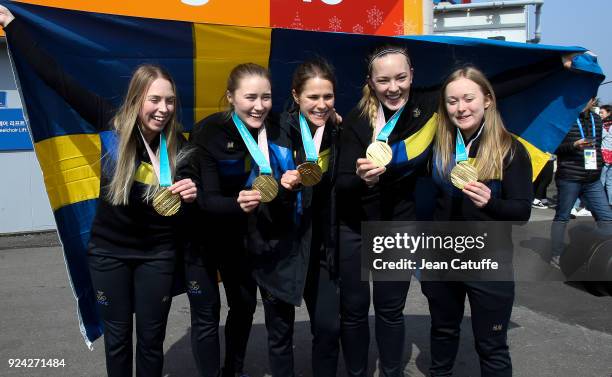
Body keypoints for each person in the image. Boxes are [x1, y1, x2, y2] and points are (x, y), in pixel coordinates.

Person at [0, 6, 198, 377]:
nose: (163, 109)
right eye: (154, 99)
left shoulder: (180, 145)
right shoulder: (111, 126)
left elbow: (187, 209)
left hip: (158, 256)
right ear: (137, 99)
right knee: (119, 339)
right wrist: (12, 26)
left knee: (151, 342)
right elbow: (55, 77)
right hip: (110, 255)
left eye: (169, 100)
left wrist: (190, 195)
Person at [336, 45, 439, 377]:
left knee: (390, 310)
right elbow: (341, 183)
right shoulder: (356, 119)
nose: (393, 87)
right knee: (352, 311)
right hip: (354, 225)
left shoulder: (429, 104)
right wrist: (363, 180)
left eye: (400, 77)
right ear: (370, 81)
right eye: (383, 80)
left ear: (412, 76)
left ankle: (392, 373)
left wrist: (555, 64)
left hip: (398, 225)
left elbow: (483, 87)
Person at [422, 66, 532, 377]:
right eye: (452, 101)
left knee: (492, 346)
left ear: (487, 100)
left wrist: (491, 203)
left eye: (468, 98)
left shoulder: (510, 149)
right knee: (442, 337)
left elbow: (522, 211)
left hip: (489, 262)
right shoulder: (438, 146)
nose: (461, 108)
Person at [250, 59, 340, 377]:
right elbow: (258, 197)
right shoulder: (273, 133)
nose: (321, 104)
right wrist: (283, 190)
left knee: (329, 330)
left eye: (327, 97)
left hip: (321, 248)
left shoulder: (338, 132)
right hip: (279, 247)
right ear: (296, 96)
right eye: (313, 97)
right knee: (280, 337)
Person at [187, 63, 277, 377]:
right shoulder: (209, 130)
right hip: (203, 237)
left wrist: (334, 120)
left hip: (243, 239)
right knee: (207, 314)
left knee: (243, 308)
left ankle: (233, 370)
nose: (259, 105)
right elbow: (206, 198)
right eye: (250, 97)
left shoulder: (275, 126)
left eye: (266, 97)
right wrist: (239, 203)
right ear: (230, 97)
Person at [551, 97, 612, 267]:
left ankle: (597, 253)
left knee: (606, 218)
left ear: (593, 101)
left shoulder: (597, 120)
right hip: (569, 177)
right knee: (562, 217)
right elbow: (554, 148)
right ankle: (556, 253)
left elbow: (598, 146)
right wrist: (573, 145)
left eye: (588, 98)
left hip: (592, 179)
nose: (584, 101)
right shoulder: (564, 118)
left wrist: (599, 163)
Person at [599, 104, 612, 204]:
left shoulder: (606, 125)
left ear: (609, 113)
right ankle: (610, 203)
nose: (600, 115)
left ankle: (599, 203)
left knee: (600, 181)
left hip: (605, 155)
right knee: (610, 181)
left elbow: (599, 137)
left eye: (602, 112)